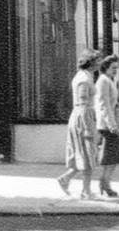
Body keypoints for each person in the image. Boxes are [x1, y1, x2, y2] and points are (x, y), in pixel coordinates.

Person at [57, 48, 102, 199]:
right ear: (91, 63)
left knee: (83, 154)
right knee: (88, 154)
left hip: (81, 116)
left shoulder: (84, 76)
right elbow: (83, 101)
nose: (99, 63)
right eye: (97, 61)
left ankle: (65, 179)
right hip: (83, 117)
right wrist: (90, 124)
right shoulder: (84, 78)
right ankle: (86, 191)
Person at [95, 54, 119, 196]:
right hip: (107, 125)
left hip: (110, 123)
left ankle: (105, 183)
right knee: (111, 156)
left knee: (112, 156)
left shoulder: (109, 80)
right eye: (113, 68)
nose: (115, 70)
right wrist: (112, 124)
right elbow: (104, 104)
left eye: (117, 68)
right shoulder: (103, 81)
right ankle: (104, 183)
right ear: (106, 67)